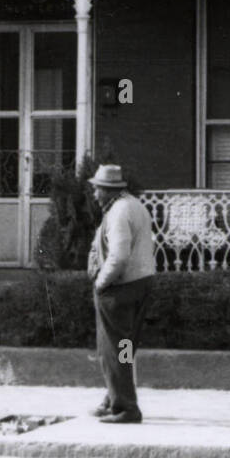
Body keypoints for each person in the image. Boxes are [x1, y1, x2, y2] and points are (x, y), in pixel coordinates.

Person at [87, 163, 156, 424]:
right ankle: (113, 396)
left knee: (113, 350)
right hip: (142, 284)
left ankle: (125, 407)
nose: (94, 195)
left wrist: (101, 283)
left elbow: (118, 256)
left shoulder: (117, 213)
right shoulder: (134, 205)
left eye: (97, 190)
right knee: (126, 347)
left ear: (107, 191)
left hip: (119, 289)